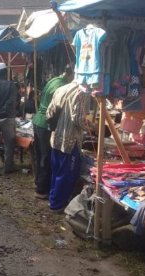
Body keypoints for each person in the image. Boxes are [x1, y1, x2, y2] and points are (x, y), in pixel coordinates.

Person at [47, 81, 96, 212]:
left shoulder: (61, 88)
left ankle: (53, 199)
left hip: (56, 137)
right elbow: (79, 119)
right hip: (70, 140)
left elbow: (49, 111)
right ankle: (58, 204)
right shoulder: (82, 92)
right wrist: (94, 127)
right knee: (66, 174)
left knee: (57, 171)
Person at [32, 65, 74, 200]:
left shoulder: (53, 80)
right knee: (46, 157)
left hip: (38, 121)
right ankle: (41, 189)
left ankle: (38, 183)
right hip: (46, 123)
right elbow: (55, 110)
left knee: (40, 156)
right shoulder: (61, 86)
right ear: (71, 75)